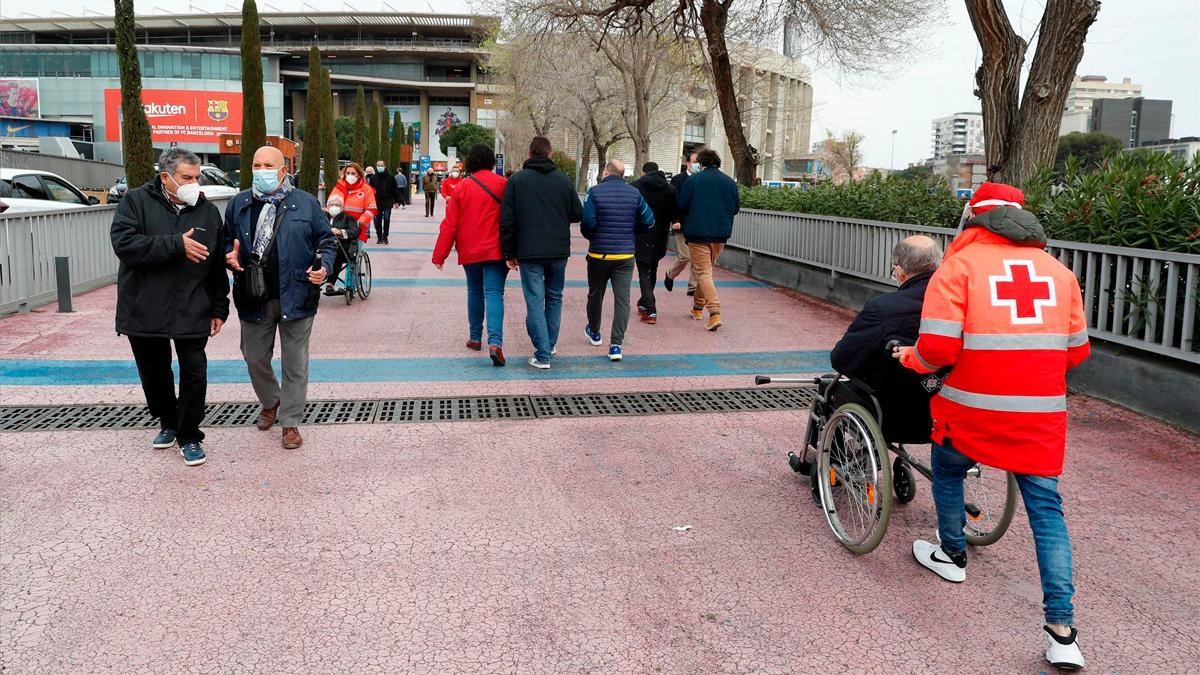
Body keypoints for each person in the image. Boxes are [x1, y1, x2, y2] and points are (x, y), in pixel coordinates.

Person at [893, 183, 1090, 671]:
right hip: (1040, 414)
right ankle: (1063, 633)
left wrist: (910, 358)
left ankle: (953, 554)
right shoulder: (1060, 273)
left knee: (949, 469)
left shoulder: (957, 268)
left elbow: (938, 350)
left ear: (973, 218)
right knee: (1047, 511)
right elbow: (1077, 351)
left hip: (970, 408)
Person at [110, 147, 229, 467]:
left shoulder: (207, 212)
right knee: (154, 373)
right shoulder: (135, 202)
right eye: (186, 178)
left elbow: (217, 264)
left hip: (193, 306)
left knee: (195, 371)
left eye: (197, 177)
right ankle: (167, 421)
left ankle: (189, 434)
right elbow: (124, 244)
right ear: (166, 177)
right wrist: (176, 244)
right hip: (145, 306)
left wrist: (220, 307)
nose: (194, 184)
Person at [223, 145, 335, 451]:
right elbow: (226, 243)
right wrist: (228, 257)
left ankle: (290, 423)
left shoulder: (306, 203)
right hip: (253, 295)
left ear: (283, 171)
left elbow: (326, 241)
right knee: (254, 357)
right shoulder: (239, 204)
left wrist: (324, 267)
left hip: (297, 294)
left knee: (295, 363)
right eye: (256, 165)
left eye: (267, 165)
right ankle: (272, 400)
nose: (261, 171)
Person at [829, 235, 943, 441]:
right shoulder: (958, 305)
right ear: (939, 265)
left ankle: (834, 460)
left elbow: (841, 359)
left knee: (829, 387)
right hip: (944, 412)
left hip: (891, 415)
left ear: (899, 272)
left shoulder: (883, 308)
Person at [500, 135, 582, 369]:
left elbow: (507, 220)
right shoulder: (563, 181)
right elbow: (578, 214)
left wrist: (509, 252)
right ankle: (549, 344)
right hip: (558, 250)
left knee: (535, 301)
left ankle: (543, 353)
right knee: (555, 297)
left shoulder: (517, 181)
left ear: (529, 154)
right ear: (550, 154)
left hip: (529, 251)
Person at [432, 143, 510, 367]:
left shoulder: (462, 188)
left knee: (474, 291)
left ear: (469, 163)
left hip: (470, 250)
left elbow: (450, 224)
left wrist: (440, 255)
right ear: (491, 162)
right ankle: (495, 343)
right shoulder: (503, 184)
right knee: (494, 293)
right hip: (496, 249)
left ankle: (475, 338)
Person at [580, 159, 655, 362]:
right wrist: (631, 233)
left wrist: (592, 236)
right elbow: (649, 220)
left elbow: (587, 222)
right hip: (625, 255)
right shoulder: (634, 193)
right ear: (623, 175)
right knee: (622, 300)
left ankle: (595, 332)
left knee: (595, 295)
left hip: (598, 255)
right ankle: (616, 345)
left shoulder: (594, 192)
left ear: (605, 172)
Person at [677, 148, 739, 331]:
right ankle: (697, 308)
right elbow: (735, 208)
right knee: (705, 271)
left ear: (701, 163)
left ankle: (714, 313)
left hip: (697, 234)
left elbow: (681, 204)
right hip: (720, 235)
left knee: (703, 272)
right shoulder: (729, 182)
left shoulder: (694, 180)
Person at [631, 161, 677, 324]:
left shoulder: (635, 187)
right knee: (653, 267)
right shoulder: (670, 189)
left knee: (643, 270)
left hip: (641, 234)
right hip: (660, 235)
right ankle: (644, 302)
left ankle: (650, 309)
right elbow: (674, 212)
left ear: (644, 172)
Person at [664, 152, 698, 296]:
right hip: (681, 224)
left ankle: (693, 287)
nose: (698, 164)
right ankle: (670, 275)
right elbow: (672, 201)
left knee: (697, 257)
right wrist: (674, 220)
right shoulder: (678, 180)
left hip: (697, 225)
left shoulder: (701, 179)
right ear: (688, 163)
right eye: (695, 161)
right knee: (686, 256)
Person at [327, 162, 376, 252]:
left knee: (353, 255)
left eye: (353, 173)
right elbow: (330, 204)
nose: (350, 175)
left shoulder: (366, 189)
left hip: (357, 227)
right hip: (339, 225)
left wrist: (362, 220)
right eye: (348, 173)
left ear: (359, 175)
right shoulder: (339, 187)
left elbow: (371, 209)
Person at [323, 194, 362, 294]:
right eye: (332, 204)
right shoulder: (321, 218)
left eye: (337, 205)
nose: (334, 207)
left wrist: (340, 232)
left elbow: (355, 231)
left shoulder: (348, 218)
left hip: (341, 248)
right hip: (321, 247)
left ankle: (330, 283)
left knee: (334, 256)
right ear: (327, 207)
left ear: (342, 207)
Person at [368, 159, 398, 244]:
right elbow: (370, 190)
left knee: (387, 218)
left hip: (388, 201)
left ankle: (385, 236)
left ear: (385, 166)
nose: (380, 167)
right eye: (378, 166)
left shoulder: (390, 177)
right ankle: (379, 237)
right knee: (378, 220)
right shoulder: (373, 178)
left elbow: (394, 189)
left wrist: (397, 201)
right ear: (376, 167)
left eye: (381, 165)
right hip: (377, 202)